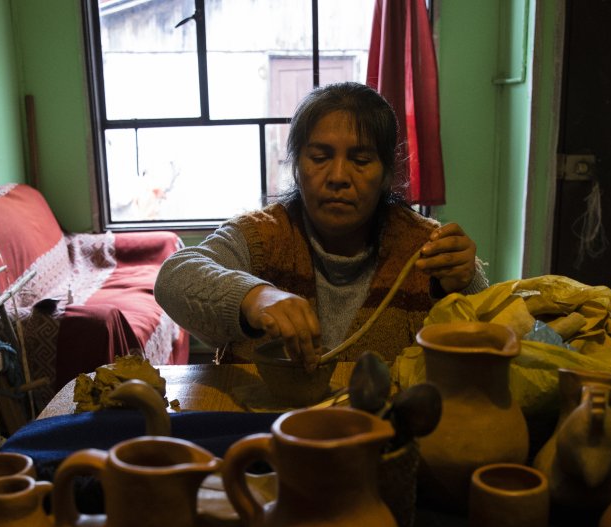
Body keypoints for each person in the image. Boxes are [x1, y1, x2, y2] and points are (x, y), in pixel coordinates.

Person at [155, 82, 488, 371]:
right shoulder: (264, 236)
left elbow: (489, 338)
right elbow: (175, 276)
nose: (338, 177)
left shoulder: (425, 250)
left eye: (360, 160)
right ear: (297, 166)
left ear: (387, 174)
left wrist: (464, 282)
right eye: (319, 157)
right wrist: (256, 298)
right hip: (262, 428)